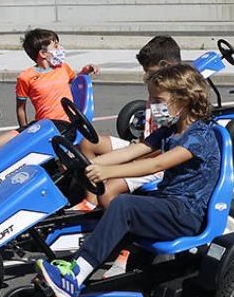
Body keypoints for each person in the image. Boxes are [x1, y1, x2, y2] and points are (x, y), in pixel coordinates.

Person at [37, 63, 221, 297]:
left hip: (187, 213)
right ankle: (96, 263)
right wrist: (87, 163)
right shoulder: (169, 130)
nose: (152, 105)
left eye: (157, 99)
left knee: (123, 205)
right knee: (118, 207)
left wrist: (106, 171)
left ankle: (75, 276)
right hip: (169, 203)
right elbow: (134, 151)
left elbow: (156, 166)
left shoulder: (199, 136)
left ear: (183, 100)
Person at [77, 35, 182, 208]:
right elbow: (150, 140)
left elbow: (161, 149)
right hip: (143, 147)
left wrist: (122, 163)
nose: (146, 74)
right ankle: (90, 203)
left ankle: (119, 223)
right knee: (88, 143)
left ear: (165, 66)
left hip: (158, 160)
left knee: (107, 192)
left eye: (149, 70)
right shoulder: (160, 92)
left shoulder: (171, 102)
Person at [0, 28, 98, 154]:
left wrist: (85, 72)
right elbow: (21, 109)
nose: (60, 48)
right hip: (40, 125)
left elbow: (77, 84)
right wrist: (24, 133)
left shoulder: (63, 68)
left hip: (63, 125)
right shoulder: (25, 77)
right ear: (43, 53)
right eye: (55, 46)